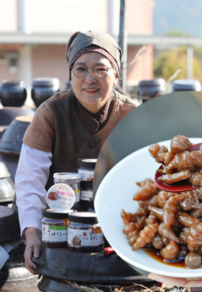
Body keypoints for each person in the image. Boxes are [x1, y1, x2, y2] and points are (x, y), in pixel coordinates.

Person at [15, 30, 137, 274]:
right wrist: (32, 233)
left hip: (121, 234)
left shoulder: (133, 116)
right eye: (80, 69)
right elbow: (30, 180)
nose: (90, 78)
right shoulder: (49, 113)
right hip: (61, 235)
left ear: (116, 75)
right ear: (70, 74)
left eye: (101, 69)